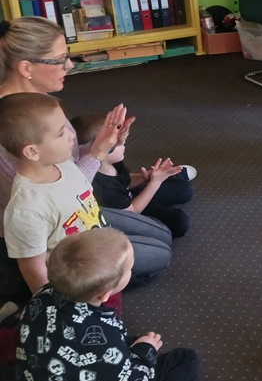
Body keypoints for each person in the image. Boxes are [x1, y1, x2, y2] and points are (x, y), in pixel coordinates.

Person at [0, 17, 171, 300]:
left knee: (163, 234)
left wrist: (105, 144)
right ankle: (86, 287)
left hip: (77, 207)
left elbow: (66, 170)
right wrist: (99, 152)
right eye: (59, 60)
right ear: (26, 67)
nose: (69, 65)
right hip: (57, 231)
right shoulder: (12, 127)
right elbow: (55, 195)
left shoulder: (42, 102)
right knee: (159, 255)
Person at [15, 228, 218, 381]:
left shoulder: (42, 295)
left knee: (134, 344)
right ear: (105, 294)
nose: (132, 269)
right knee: (185, 360)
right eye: (129, 269)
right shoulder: (103, 339)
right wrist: (145, 351)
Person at [72, 113, 195, 238]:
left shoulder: (112, 162)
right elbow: (132, 212)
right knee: (179, 222)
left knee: (185, 190)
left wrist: (145, 177)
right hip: (130, 210)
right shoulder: (101, 188)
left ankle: (168, 175)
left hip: (129, 194)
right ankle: (165, 179)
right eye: (118, 144)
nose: (123, 145)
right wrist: (155, 183)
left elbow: (124, 180)